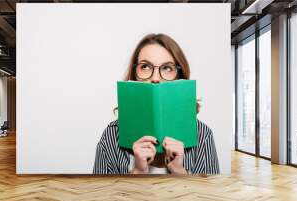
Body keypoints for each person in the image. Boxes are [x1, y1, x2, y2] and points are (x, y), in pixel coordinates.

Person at [93, 33, 220, 175]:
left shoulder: (203, 135)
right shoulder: (111, 135)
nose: (155, 78)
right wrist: (137, 172)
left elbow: (209, 195)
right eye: (145, 66)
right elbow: (100, 196)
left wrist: (179, 171)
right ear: (134, 74)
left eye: (167, 68)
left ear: (180, 76)